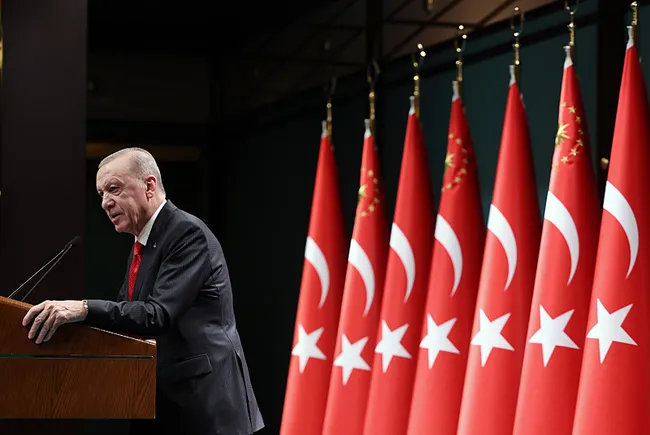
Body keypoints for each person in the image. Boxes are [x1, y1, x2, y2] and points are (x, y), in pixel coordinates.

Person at [22, 147, 264, 435]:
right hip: (161, 403)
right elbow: (128, 317)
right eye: (101, 194)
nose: (105, 203)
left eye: (114, 189)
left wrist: (83, 308)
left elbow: (157, 314)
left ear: (149, 186)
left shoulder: (186, 233)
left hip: (204, 408)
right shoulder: (143, 244)